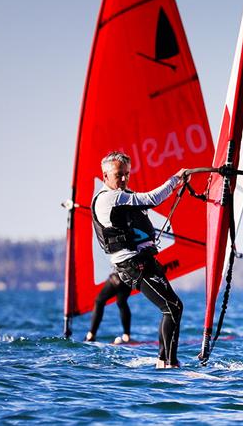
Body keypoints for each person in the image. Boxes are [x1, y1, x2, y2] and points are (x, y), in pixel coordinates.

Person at [91, 151, 186, 368]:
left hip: (142, 260)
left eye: (126, 174)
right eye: (118, 175)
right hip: (134, 265)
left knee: (172, 307)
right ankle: (168, 363)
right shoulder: (110, 197)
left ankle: (164, 361)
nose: (123, 179)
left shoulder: (122, 196)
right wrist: (175, 180)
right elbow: (151, 199)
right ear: (105, 175)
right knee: (173, 307)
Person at [84, 272, 132, 344]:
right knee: (121, 303)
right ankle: (126, 335)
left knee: (99, 301)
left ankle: (91, 334)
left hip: (118, 276)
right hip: (129, 279)